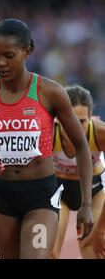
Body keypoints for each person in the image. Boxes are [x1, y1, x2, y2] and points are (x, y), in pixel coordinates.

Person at [0, 18, 94, 259]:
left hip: (41, 195)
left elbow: (82, 148)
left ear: (27, 52)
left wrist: (86, 204)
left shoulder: (49, 91)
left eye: (8, 55)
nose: (0, 63)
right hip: (2, 195)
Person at [51, 85, 105, 259]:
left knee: (95, 251)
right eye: (69, 120)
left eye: (81, 121)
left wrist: (100, 230)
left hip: (93, 189)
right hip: (58, 190)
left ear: (90, 118)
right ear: (58, 119)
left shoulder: (100, 133)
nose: (74, 128)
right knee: (47, 253)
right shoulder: (49, 133)